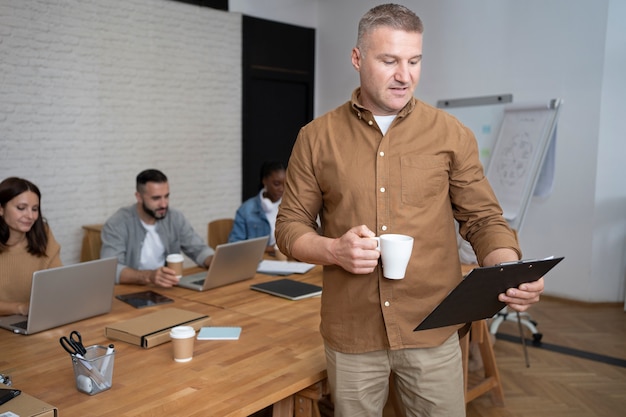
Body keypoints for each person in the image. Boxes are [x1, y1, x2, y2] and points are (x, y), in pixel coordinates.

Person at [275, 4, 544, 416]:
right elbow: (289, 226)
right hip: (353, 333)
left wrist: (508, 270)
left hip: (433, 328)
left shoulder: (451, 134)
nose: (405, 75)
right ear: (357, 58)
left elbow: (483, 219)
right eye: (389, 61)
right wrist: (334, 251)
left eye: (414, 60)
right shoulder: (315, 138)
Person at [101, 169, 214, 287]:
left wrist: (213, 261)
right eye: (156, 198)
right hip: (132, 291)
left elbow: (198, 249)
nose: (164, 204)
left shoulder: (174, 217)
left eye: (166, 196)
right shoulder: (117, 223)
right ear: (139, 197)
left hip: (167, 288)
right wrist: (149, 276)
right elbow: (111, 270)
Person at [0, 177, 62, 316]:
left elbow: (58, 281)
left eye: (35, 209)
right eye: (21, 208)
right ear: (1, 209)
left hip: (37, 318)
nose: (30, 216)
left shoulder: (43, 233)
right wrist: (21, 308)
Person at [228, 161, 286, 255]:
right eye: (276, 184)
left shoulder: (289, 207)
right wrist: (269, 249)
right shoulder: (246, 210)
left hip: (284, 259)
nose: (282, 189)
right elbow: (234, 245)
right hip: (258, 260)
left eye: (285, 184)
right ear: (264, 181)